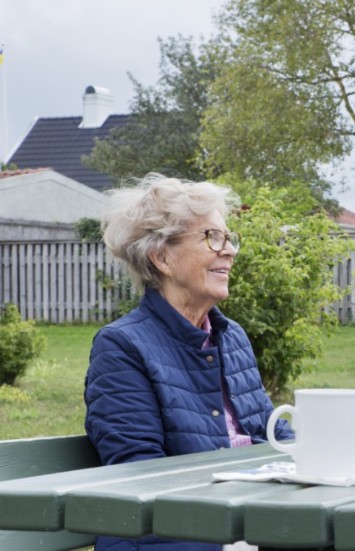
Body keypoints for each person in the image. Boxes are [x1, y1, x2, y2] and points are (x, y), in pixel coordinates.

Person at [84, 174, 293, 551]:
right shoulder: (122, 346)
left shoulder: (231, 337)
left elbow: (271, 434)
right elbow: (141, 477)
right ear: (162, 257)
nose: (228, 250)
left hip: (253, 521)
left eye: (229, 239)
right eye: (213, 237)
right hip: (183, 536)